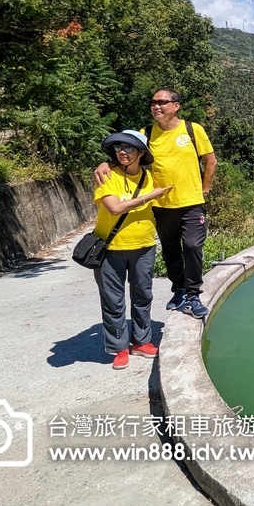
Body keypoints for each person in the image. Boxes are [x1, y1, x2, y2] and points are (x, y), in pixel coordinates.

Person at [95, 89, 217, 319]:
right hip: (160, 204)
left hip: (191, 203)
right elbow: (127, 151)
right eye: (153, 102)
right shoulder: (146, 133)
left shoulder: (192, 130)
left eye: (162, 102)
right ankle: (179, 291)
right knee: (170, 250)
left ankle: (193, 294)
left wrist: (205, 188)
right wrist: (106, 163)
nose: (156, 106)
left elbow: (210, 161)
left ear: (176, 105)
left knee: (191, 246)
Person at [91, 130, 172, 370]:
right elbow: (114, 208)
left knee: (142, 297)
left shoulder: (150, 177)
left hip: (144, 246)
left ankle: (142, 341)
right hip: (111, 248)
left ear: (141, 152)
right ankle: (119, 348)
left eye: (128, 148)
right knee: (113, 301)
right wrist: (150, 197)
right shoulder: (108, 176)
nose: (122, 152)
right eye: (118, 148)